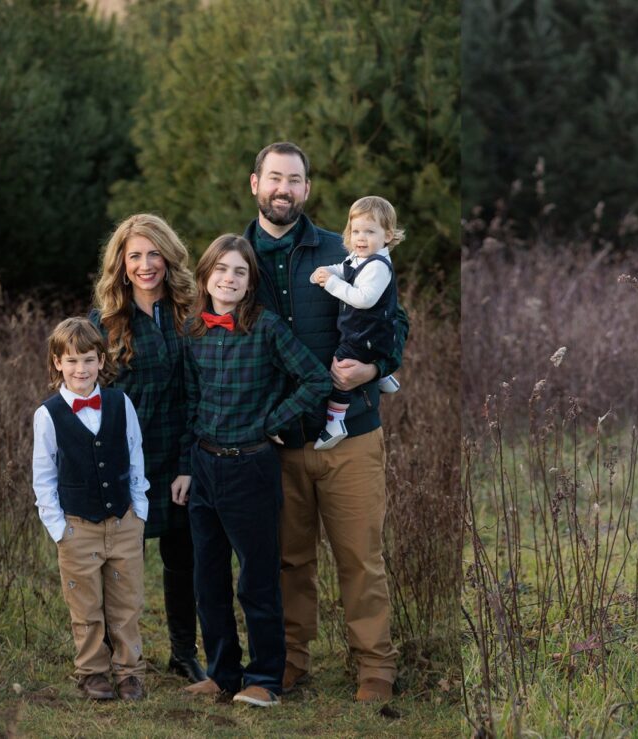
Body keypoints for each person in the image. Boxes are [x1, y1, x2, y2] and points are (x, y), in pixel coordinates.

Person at [242, 142, 408, 702]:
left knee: (360, 556)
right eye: (273, 179)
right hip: (277, 439)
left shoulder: (349, 251)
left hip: (351, 435)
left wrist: (375, 367)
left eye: (293, 179)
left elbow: (396, 322)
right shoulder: (235, 261)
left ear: (307, 189)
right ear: (255, 184)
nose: (282, 189)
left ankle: (374, 667)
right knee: (290, 558)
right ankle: (290, 659)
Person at [179, 235, 330, 708]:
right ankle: (222, 673)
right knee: (208, 579)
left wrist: (272, 422)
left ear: (250, 283)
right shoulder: (192, 331)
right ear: (205, 276)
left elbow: (316, 378)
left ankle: (265, 678)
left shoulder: (266, 328)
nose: (229, 278)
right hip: (203, 467)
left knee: (257, 580)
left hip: (251, 466)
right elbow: (189, 401)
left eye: (240, 272)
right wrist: (185, 466)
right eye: (221, 269)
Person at [89, 214, 204, 684]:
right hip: (123, 462)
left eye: (153, 253)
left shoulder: (191, 313)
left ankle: (183, 652)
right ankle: (116, 657)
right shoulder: (106, 321)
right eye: (134, 255)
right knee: (119, 565)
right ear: (120, 263)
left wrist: (187, 463)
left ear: (168, 256)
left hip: (179, 456)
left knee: (184, 560)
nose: (145, 264)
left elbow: (199, 392)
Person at [31, 318, 150, 701]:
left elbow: (135, 457)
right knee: (85, 606)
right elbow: (44, 475)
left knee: (126, 603)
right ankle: (92, 672)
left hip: (124, 520)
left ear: (101, 360)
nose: (80, 369)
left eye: (87, 360)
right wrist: (58, 528)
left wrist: (140, 511)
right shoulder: (48, 415)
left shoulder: (120, 403)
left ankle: (129, 672)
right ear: (57, 363)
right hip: (77, 526)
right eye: (71, 361)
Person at [309, 195, 404, 450]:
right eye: (356, 231)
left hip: (367, 332)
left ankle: (335, 422)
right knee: (368, 354)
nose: (361, 238)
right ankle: (385, 379)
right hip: (373, 332)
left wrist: (331, 284)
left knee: (341, 367)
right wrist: (327, 272)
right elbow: (344, 268)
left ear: (387, 236)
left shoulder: (378, 266)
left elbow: (363, 299)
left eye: (370, 231)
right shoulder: (358, 258)